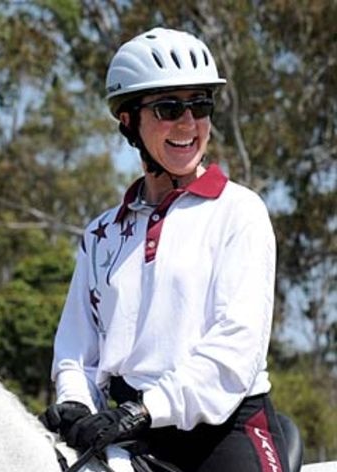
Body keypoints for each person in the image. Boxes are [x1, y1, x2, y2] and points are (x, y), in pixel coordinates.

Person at [40, 27, 290, 472]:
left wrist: (144, 409)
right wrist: (76, 403)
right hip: (128, 429)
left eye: (200, 106)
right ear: (128, 122)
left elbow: (235, 351)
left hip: (224, 428)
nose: (188, 124)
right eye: (169, 108)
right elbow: (76, 350)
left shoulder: (240, 213)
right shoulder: (102, 233)